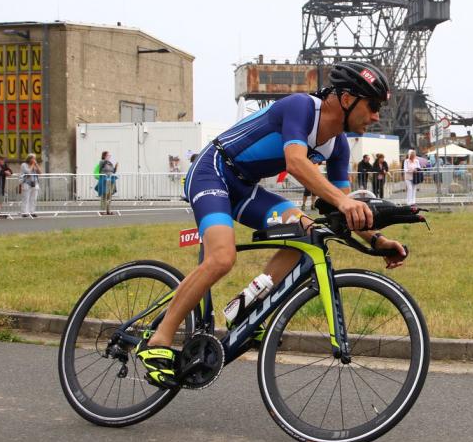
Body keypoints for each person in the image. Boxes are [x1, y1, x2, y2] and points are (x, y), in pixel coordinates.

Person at [134, 62, 408, 388]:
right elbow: (295, 161)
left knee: (307, 233)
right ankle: (158, 340)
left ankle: (246, 307)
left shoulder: (338, 146)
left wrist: (378, 241)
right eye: (373, 106)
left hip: (244, 188)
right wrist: (344, 201)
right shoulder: (302, 107)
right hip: (213, 171)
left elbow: (345, 208)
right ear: (347, 99)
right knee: (221, 257)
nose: (376, 116)